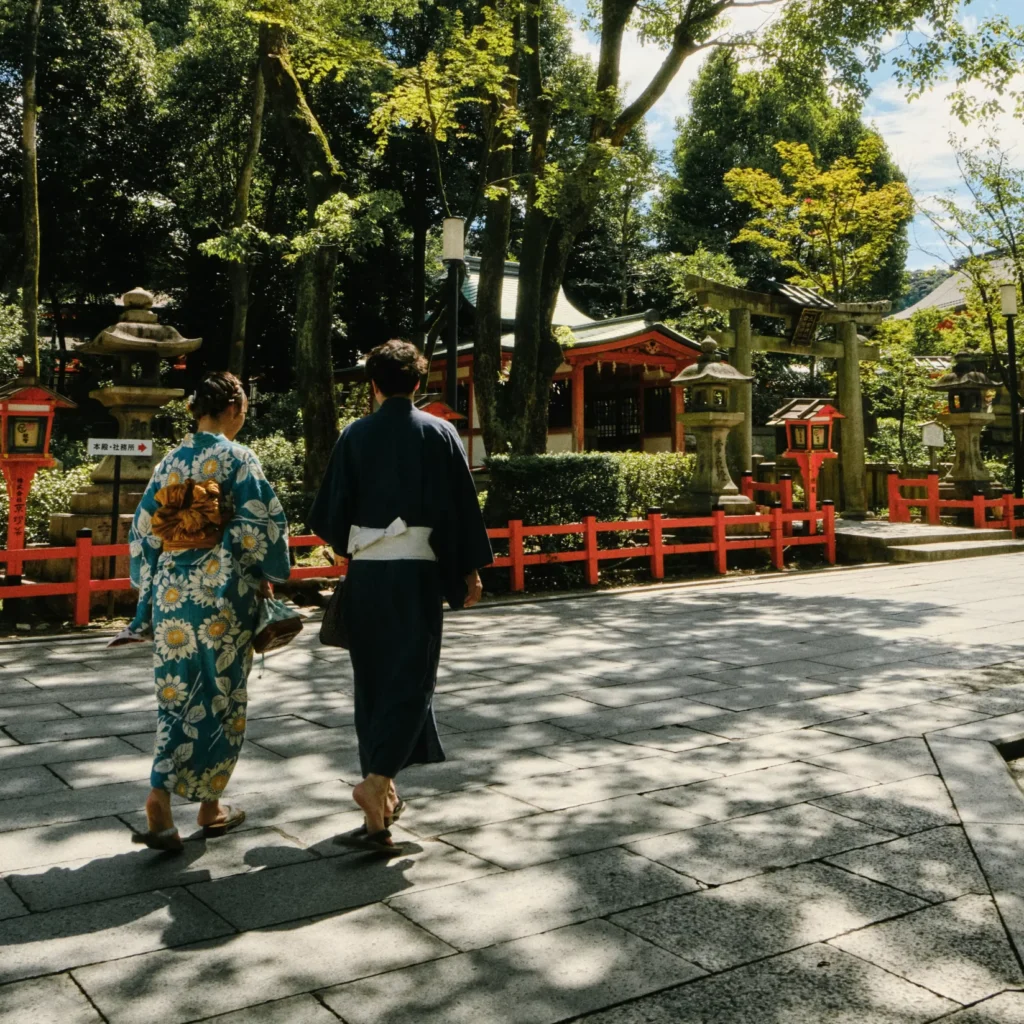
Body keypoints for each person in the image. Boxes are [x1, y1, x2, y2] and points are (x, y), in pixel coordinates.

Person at [308, 339, 492, 853]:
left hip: (367, 573)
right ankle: (375, 783)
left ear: (372, 382)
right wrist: (469, 572)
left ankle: (378, 821)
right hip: (416, 575)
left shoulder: (354, 435)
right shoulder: (439, 432)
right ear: (419, 381)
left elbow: (328, 515)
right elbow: (459, 508)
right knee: (413, 681)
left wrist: (363, 542)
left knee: (371, 687)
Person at [125, 371, 290, 852]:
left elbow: (145, 532)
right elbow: (260, 527)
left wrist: (151, 594)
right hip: (221, 595)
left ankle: (178, 798)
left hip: (174, 595)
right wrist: (265, 568)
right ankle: (193, 802)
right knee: (221, 696)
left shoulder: (171, 461)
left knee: (176, 693)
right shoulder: (238, 458)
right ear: (235, 407)